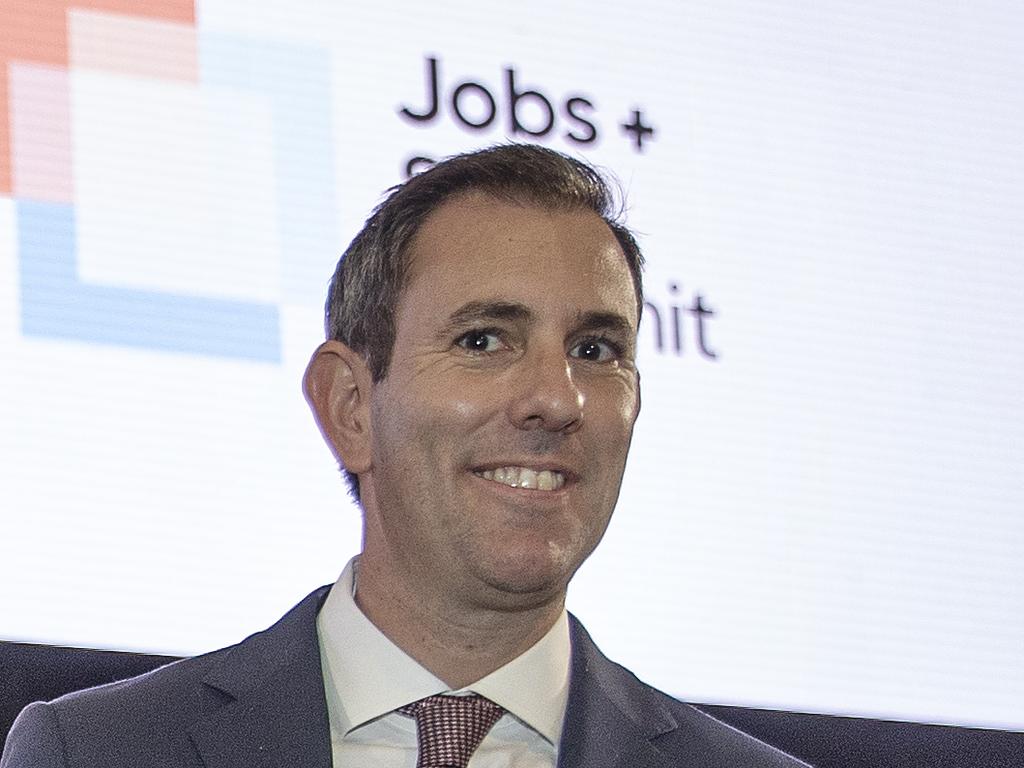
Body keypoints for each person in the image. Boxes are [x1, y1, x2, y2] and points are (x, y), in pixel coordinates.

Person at [1, 144, 805, 767]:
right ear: (350, 406)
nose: (558, 400)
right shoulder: (101, 750)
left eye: (595, 349)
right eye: (483, 339)